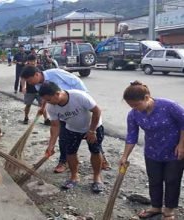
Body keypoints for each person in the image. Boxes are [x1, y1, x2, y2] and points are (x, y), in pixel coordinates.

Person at [21, 66, 111, 173]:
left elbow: (75, 80)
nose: (29, 83)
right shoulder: (38, 86)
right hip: (61, 110)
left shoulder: (55, 74)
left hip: (74, 102)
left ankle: (102, 159)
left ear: (36, 74)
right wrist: (43, 107)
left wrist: (81, 97)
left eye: (29, 80)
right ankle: (63, 161)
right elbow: (48, 98)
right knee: (64, 138)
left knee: (93, 140)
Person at [120, 81, 184, 220]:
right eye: (131, 106)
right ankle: (156, 207)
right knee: (154, 180)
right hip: (152, 152)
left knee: (172, 180)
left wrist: (181, 145)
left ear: (146, 97)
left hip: (174, 151)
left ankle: (168, 210)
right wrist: (124, 156)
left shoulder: (168, 106)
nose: (135, 109)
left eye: (136, 105)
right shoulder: (134, 114)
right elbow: (131, 136)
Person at [39, 82, 105, 193]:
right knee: (70, 152)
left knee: (95, 151)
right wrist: (51, 145)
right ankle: (74, 176)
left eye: (49, 99)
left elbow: (97, 111)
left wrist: (92, 130)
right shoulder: (51, 107)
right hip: (73, 129)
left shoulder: (79, 96)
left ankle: (97, 178)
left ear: (57, 94)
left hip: (93, 127)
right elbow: (55, 126)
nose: (48, 103)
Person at [20, 54, 50, 125]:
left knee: (42, 105)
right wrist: (23, 87)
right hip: (30, 91)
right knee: (28, 105)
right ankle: (26, 117)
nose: (33, 62)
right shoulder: (26, 69)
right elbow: (23, 79)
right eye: (31, 61)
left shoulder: (40, 67)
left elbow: (44, 77)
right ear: (28, 61)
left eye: (34, 61)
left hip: (40, 91)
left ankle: (46, 119)